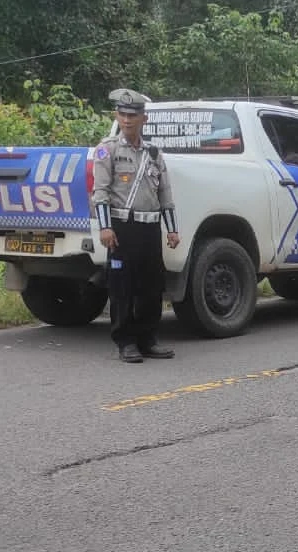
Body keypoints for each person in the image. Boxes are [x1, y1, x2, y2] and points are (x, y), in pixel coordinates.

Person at [92, 88, 180, 363]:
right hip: (121, 228)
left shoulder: (153, 153)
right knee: (122, 288)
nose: (127, 120)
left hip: (149, 228)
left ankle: (148, 339)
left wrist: (172, 229)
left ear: (144, 119)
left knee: (151, 287)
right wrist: (105, 228)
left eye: (133, 115)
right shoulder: (108, 149)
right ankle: (125, 342)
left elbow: (164, 193)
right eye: (123, 114)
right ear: (117, 116)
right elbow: (101, 192)